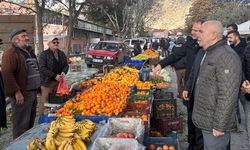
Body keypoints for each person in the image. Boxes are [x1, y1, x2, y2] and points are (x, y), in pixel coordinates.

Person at [153, 20, 204, 150]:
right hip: (190, 87)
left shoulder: (207, 47)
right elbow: (175, 55)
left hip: (203, 90)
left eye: (196, 30)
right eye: (192, 29)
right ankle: (191, 144)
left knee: (200, 123)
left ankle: (198, 146)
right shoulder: (190, 44)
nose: (192, 32)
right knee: (191, 120)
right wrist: (160, 64)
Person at [192, 20, 242, 150]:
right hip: (207, 121)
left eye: (202, 32)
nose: (198, 35)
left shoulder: (226, 56)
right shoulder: (210, 52)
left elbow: (227, 95)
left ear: (213, 35)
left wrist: (220, 125)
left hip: (215, 125)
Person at [1, 29, 40, 139]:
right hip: (22, 94)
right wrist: (17, 92)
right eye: (23, 36)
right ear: (16, 40)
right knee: (21, 125)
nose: (27, 38)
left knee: (30, 123)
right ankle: (18, 145)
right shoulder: (10, 53)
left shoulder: (29, 51)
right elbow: (7, 74)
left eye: (26, 35)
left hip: (32, 92)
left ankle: (27, 143)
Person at [39, 37, 69, 116]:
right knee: (44, 101)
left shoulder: (61, 53)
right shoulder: (44, 54)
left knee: (58, 100)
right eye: (54, 42)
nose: (56, 44)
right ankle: (41, 117)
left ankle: (56, 115)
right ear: (49, 44)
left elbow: (66, 65)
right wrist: (54, 75)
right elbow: (42, 68)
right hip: (47, 82)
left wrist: (63, 72)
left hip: (59, 82)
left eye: (57, 42)